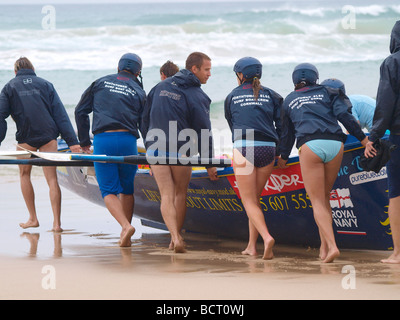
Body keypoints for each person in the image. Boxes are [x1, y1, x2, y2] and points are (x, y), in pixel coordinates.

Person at [277, 63, 368, 263]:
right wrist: (363, 139)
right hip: (335, 145)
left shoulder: (289, 100)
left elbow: (287, 134)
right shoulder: (329, 91)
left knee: (317, 202)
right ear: (315, 78)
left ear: (294, 81)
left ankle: (333, 246)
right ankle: (323, 249)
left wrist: (283, 156)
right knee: (325, 198)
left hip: (311, 146)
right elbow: (345, 116)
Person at [142, 52, 218, 253]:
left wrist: (148, 147)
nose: (210, 74)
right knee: (180, 194)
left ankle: (174, 237)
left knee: (166, 194)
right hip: (182, 150)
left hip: (156, 148)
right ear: (194, 69)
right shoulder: (198, 95)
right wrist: (209, 164)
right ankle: (176, 237)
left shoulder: (158, 88)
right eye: (207, 69)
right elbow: (204, 132)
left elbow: (144, 120)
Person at [0, 57, 80, 232]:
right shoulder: (46, 84)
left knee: (24, 175)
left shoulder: (9, 87)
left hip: (26, 138)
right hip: (48, 135)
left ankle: (33, 218)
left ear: (15, 71)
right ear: (33, 69)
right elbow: (60, 115)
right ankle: (57, 224)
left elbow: (1, 116)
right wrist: (73, 143)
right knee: (52, 179)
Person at [75, 53, 146, 247]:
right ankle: (127, 231)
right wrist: (151, 149)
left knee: (108, 190)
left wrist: (83, 142)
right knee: (127, 189)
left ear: (118, 67)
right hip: (128, 141)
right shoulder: (139, 90)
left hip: (103, 140)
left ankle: (124, 227)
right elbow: (145, 123)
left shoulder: (100, 82)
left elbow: (80, 111)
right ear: (138, 72)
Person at [224, 57, 282, 259]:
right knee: (254, 201)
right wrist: (281, 152)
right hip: (268, 148)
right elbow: (282, 126)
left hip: (245, 145)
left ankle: (266, 238)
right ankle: (251, 246)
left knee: (248, 201)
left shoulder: (232, 96)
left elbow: (233, 125)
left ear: (241, 75)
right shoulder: (272, 95)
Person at [365, 20, 400, 264]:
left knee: (397, 194)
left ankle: (398, 254)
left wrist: (374, 136)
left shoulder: (392, 62)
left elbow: (385, 103)